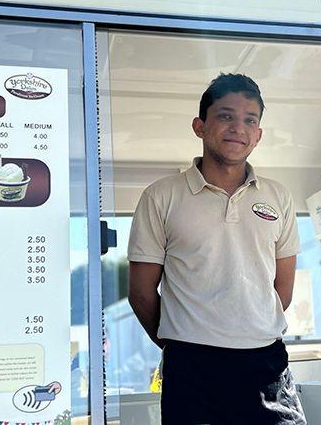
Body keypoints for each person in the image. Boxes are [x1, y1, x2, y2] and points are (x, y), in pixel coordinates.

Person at [128, 73, 306, 424]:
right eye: (225, 115)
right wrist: (180, 344)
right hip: (191, 366)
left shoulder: (278, 197)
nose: (237, 128)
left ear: (258, 135)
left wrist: (250, 329)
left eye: (249, 120)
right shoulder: (161, 196)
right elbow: (141, 293)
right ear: (200, 126)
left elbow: (281, 290)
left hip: (266, 363)